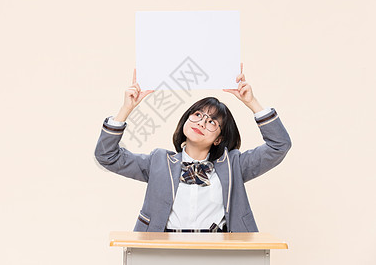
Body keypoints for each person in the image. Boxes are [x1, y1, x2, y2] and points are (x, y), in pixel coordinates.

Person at [94, 64, 291, 233]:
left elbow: (279, 145)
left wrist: (251, 102)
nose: (202, 122)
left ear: (218, 139)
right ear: (186, 120)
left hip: (220, 252)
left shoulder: (234, 165)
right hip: (162, 251)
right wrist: (126, 109)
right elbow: (107, 156)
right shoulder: (159, 162)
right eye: (197, 114)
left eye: (212, 121)